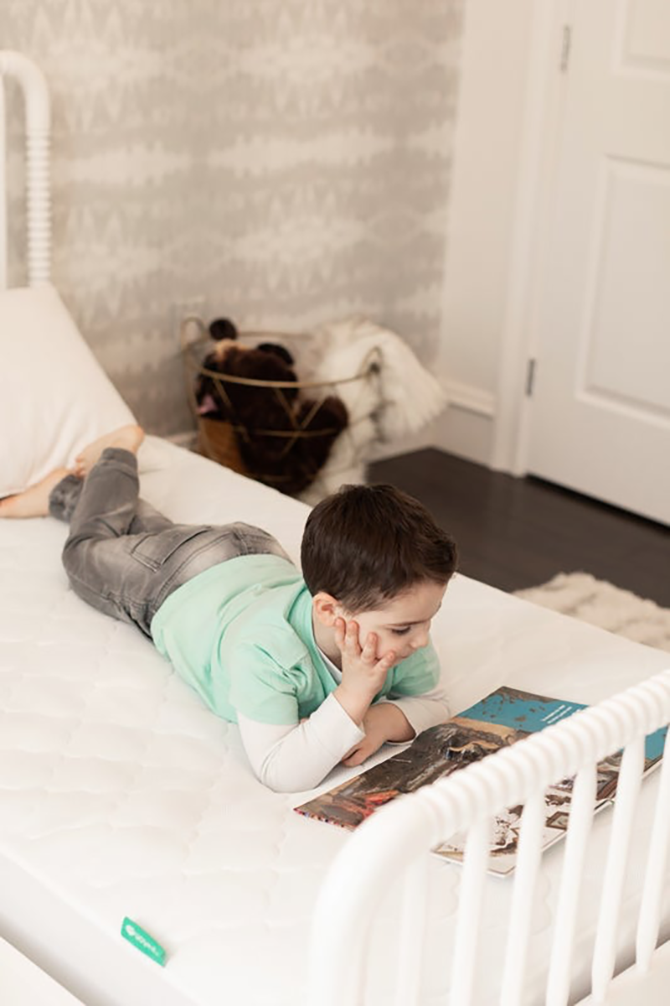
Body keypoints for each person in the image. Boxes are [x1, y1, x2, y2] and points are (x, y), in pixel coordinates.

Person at [0, 425, 458, 792]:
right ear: (330, 612)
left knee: (150, 532)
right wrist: (356, 696)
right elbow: (279, 771)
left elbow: (435, 702)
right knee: (84, 554)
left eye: (428, 621)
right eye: (405, 629)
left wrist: (380, 721)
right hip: (175, 580)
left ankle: (88, 490)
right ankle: (111, 457)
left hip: (249, 553)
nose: (420, 640)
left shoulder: (400, 634)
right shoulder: (268, 649)